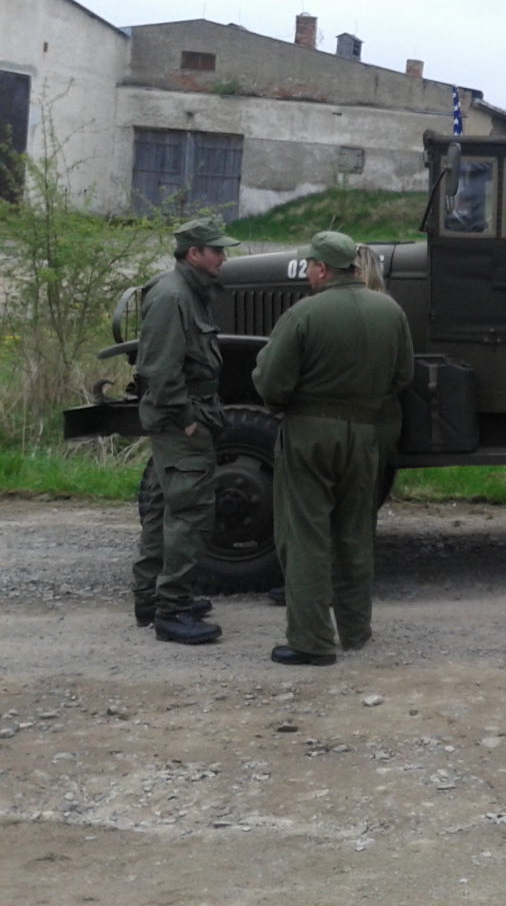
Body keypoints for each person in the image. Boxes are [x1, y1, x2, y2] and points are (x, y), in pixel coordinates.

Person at [252, 230, 413, 666]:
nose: (307, 272)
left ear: (323, 269)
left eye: (309, 265)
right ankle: (356, 630)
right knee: (355, 533)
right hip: (366, 434)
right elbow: (403, 377)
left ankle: (311, 641)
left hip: (309, 434)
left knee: (305, 534)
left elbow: (271, 383)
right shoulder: (390, 312)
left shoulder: (304, 313)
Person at [133, 216, 240, 644]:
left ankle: (151, 596)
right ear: (193, 254)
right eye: (216, 250)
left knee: (163, 508)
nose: (223, 258)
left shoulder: (190, 293)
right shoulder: (171, 296)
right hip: (180, 422)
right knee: (188, 513)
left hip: (181, 419)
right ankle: (171, 610)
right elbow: (159, 371)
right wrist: (189, 421)